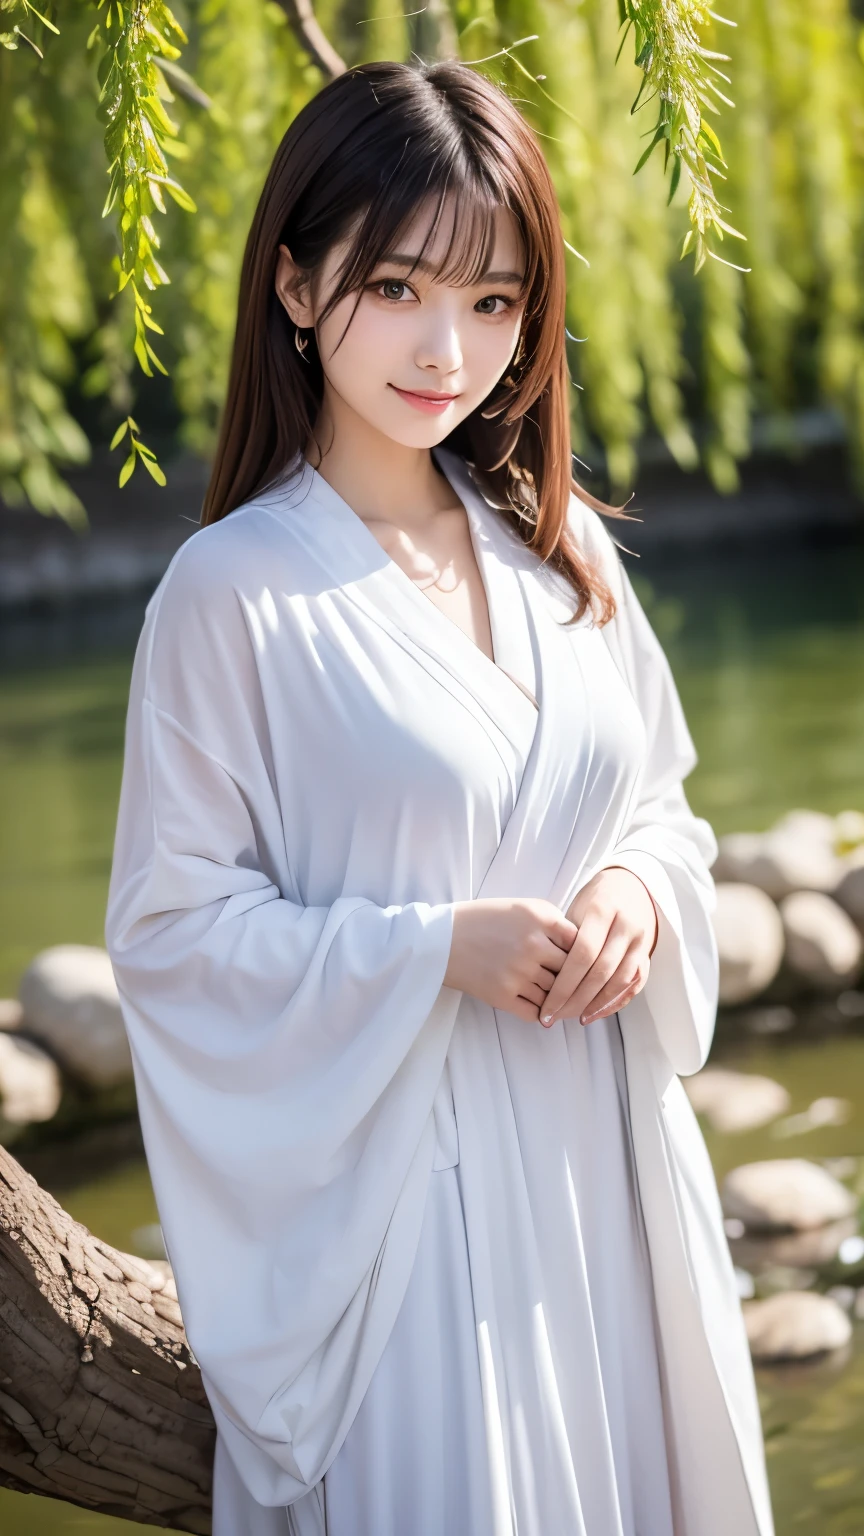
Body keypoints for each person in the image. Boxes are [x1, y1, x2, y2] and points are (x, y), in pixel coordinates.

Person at [105, 59, 775, 1536]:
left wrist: (635, 897)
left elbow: (664, 809)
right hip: (413, 1215)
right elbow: (168, 932)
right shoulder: (233, 595)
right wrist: (430, 950)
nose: (447, 347)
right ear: (295, 285)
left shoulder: (568, 558)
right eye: (399, 286)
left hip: (607, 1177)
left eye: (493, 301)